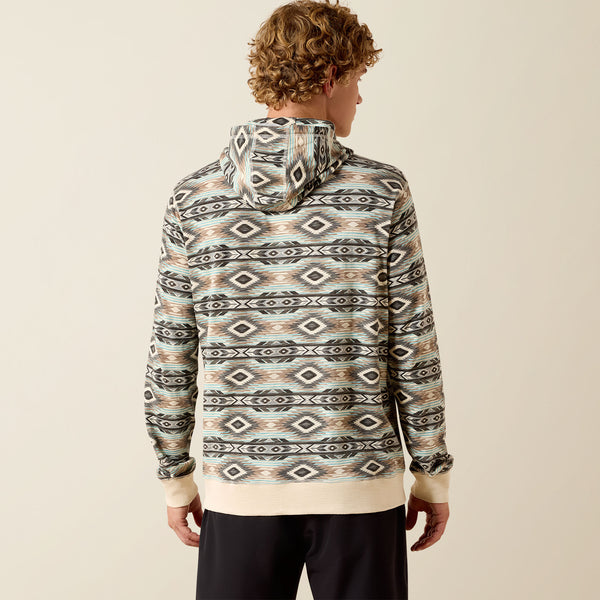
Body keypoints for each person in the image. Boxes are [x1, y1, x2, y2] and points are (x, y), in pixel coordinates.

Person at [143, 1, 454, 598]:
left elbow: (171, 353)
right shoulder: (381, 192)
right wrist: (431, 473)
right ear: (331, 77)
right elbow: (414, 348)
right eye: (357, 79)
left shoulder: (194, 199)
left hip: (241, 486)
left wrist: (176, 477)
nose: (360, 97)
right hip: (359, 485)